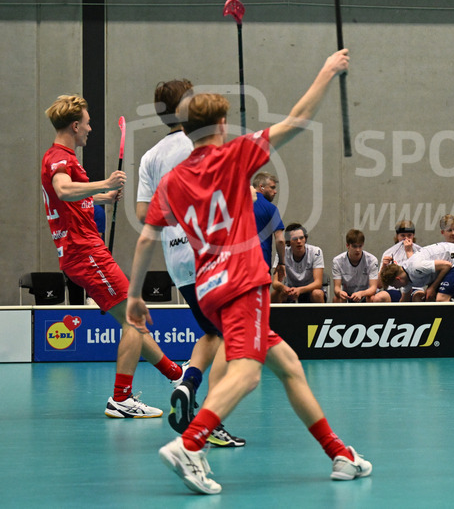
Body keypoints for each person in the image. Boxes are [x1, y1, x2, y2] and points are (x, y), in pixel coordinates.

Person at [126, 48, 371, 495]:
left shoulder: (173, 181)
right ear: (220, 126)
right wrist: (327, 71)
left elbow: (146, 237)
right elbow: (297, 119)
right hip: (244, 282)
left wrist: (135, 296)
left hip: (208, 287)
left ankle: (340, 454)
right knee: (249, 372)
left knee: (289, 365)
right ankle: (190, 443)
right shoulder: (236, 154)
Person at [41, 94, 182, 418]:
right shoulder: (60, 158)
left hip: (83, 252)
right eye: (88, 124)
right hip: (85, 252)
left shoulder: (59, 157)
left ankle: (176, 375)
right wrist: (103, 182)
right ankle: (121, 398)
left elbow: (70, 199)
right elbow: (63, 190)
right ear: (75, 126)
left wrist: (101, 195)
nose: (89, 130)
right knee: (134, 319)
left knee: (133, 321)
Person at [135, 79, 244, 447]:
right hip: (210, 255)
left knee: (212, 333)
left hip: (177, 261)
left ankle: (188, 383)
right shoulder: (198, 144)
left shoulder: (151, 157)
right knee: (233, 337)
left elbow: (143, 213)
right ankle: (212, 419)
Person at [380, 241, 454, 303]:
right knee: (430, 298)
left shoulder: (416, 267)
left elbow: (446, 265)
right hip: (449, 262)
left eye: (395, 285)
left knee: (441, 299)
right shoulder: (405, 279)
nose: (397, 288)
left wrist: (432, 287)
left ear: (398, 279)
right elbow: (404, 301)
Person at [273, 223, 326, 303]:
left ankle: (322, 315)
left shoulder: (316, 252)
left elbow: (318, 283)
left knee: (317, 293)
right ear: (288, 241)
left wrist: (300, 290)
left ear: (305, 239)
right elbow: (275, 283)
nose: (299, 241)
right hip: (290, 290)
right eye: (295, 239)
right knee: (275, 294)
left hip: (310, 290)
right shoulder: (282, 253)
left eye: (301, 238)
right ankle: (274, 316)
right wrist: (283, 288)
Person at [332, 229, 389, 303]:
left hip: (366, 294)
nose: (358, 250)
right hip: (348, 295)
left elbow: (373, 288)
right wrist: (340, 292)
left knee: (372, 298)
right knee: (337, 299)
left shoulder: (371, 260)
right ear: (347, 246)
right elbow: (337, 287)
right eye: (354, 246)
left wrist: (361, 293)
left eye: (360, 246)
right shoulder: (338, 261)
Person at [252, 172, 286, 278]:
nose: (275, 192)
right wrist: (281, 262)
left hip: (239, 264)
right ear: (261, 187)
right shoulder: (271, 209)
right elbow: (280, 240)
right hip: (261, 262)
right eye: (272, 187)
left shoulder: (238, 205)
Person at [380, 220, 421, 302]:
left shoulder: (420, 251)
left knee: (419, 296)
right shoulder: (389, 253)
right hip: (395, 289)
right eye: (402, 235)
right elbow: (379, 285)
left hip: (415, 288)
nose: (406, 238)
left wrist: (409, 252)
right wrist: (384, 267)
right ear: (397, 236)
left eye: (409, 235)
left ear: (413, 235)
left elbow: (416, 270)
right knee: (379, 297)